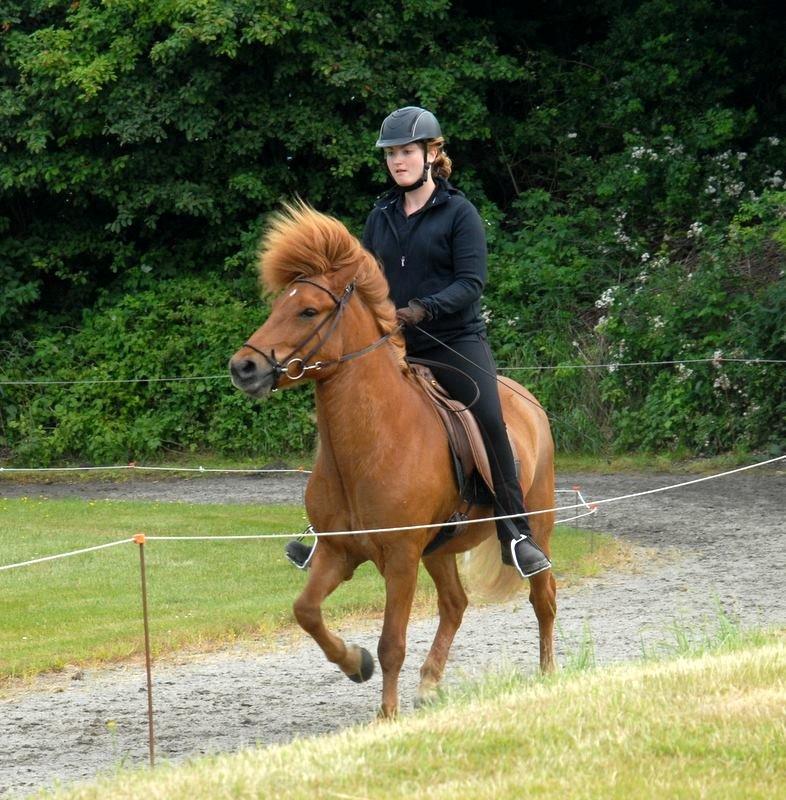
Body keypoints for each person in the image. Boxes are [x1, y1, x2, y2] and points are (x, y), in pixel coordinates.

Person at [286, 106, 551, 579]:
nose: (398, 161)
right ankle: (325, 529)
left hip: (454, 341)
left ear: (432, 153)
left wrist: (423, 308)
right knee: (347, 412)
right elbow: (364, 280)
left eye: (407, 151)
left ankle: (515, 532)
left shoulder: (459, 213)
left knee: (489, 416)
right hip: (393, 343)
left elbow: (471, 283)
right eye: (391, 154)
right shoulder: (381, 216)